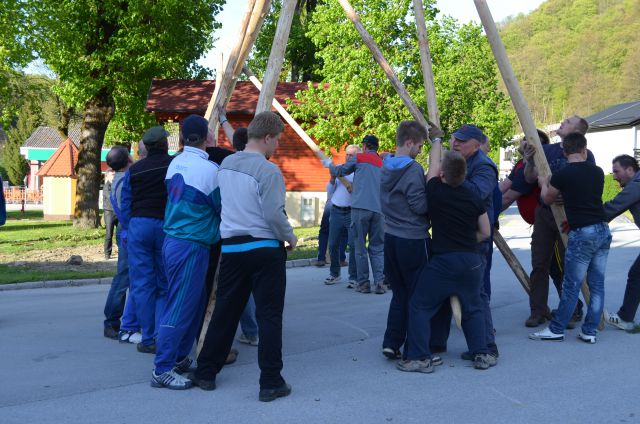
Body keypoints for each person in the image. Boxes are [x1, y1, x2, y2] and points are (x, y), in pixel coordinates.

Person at [192, 111, 297, 403]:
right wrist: (289, 237)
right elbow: (274, 213)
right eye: (276, 140)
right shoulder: (268, 170)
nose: (276, 146)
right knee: (269, 316)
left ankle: (205, 372)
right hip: (264, 248)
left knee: (225, 311)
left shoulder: (225, 165)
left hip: (232, 248)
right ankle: (271, 381)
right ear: (267, 138)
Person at [399, 143, 494, 373]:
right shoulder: (473, 197)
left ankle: (420, 357)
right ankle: (481, 353)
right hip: (471, 261)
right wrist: (465, 239)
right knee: (473, 307)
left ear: (442, 173)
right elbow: (485, 232)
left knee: (420, 305)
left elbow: (431, 167)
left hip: (443, 262)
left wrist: (436, 143)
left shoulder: (435, 191)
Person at [150, 115, 222, 390]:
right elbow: (220, 207)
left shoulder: (175, 163)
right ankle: (163, 368)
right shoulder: (210, 170)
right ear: (207, 137)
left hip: (174, 240)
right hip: (192, 244)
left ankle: (179, 358)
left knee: (191, 301)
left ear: (181, 138)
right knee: (180, 306)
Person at [529, 132, 610, 343]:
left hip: (582, 232)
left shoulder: (562, 175)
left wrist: (543, 182)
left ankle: (556, 329)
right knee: (597, 284)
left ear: (564, 153)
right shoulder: (598, 172)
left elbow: (547, 199)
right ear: (585, 150)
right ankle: (589, 331)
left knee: (571, 284)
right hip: (602, 229)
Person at [430, 124, 499, 359]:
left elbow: (477, 195)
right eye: (454, 140)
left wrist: (449, 177)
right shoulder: (461, 161)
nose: (456, 143)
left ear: (477, 145)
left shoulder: (485, 167)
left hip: (474, 240)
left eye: (462, 141)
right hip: (453, 238)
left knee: (476, 295)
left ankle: (488, 346)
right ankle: (437, 343)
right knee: (440, 291)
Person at [522, 116, 593, 328]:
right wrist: (528, 160)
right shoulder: (548, 150)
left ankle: (571, 310)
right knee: (539, 262)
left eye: (568, 121)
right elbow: (529, 178)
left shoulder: (585, 155)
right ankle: (538, 311)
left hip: (568, 215)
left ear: (578, 131)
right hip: (544, 212)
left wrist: (568, 195)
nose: (563, 121)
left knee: (568, 264)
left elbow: (587, 183)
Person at [380, 121, 432, 359]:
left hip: (390, 235)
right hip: (412, 238)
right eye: (420, 146)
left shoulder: (385, 164)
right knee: (418, 295)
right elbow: (419, 205)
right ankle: (416, 349)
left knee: (399, 293)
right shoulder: (412, 169)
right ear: (409, 142)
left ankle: (391, 342)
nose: (420, 151)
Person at [120, 126, 173, 354]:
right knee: (163, 283)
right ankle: (161, 334)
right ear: (165, 144)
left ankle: (148, 337)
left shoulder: (135, 170)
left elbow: (125, 204)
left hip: (138, 227)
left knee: (141, 285)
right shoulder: (173, 165)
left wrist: (129, 229)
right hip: (164, 225)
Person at [323, 135, 385, 294]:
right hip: (378, 211)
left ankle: (363, 283)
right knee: (377, 248)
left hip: (360, 209)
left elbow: (339, 170)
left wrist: (329, 165)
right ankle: (379, 282)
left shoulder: (359, 158)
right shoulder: (381, 162)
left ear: (364, 146)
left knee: (359, 248)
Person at [102, 146, 140, 343]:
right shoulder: (126, 180)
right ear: (128, 160)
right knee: (124, 277)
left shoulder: (115, 179)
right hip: (128, 233)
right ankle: (112, 321)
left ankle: (120, 320)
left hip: (124, 232)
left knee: (126, 276)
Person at [603, 155, 640, 330]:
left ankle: (625, 318)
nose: (615, 176)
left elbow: (612, 207)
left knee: (636, 275)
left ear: (630, 170)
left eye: (617, 171)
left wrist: (582, 216)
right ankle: (626, 318)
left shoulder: (636, 186)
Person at [324, 145, 358, 286]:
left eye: (351, 155)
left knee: (353, 245)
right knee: (333, 244)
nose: (348, 157)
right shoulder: (339, 169)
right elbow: (329, 190)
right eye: (347, 154)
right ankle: (335, 274)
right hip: (337, 210)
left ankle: (353, 277)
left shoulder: (359, 171)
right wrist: (332, 179)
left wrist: (352, 186)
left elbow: (360, 191)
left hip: (352, 212)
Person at [313, 177, 348, 268]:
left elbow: (329, 188)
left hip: (330, 203)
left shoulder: (337, 171)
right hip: (343, 206)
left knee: (324, 232)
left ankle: (321, 258)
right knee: (344, 233)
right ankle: (341, 259)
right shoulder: (352, 172)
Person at [103, 169, 117, 260]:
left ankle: (123, 251)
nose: (114, 176)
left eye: (115, 174)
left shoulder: (117, 184)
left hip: (118, 212)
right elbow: (110, 197)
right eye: (112, 175)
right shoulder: (106, 186)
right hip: (109, 212)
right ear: (107, 176)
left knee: (120, 233)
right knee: (109, 234)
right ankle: (107, 253)